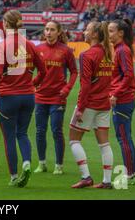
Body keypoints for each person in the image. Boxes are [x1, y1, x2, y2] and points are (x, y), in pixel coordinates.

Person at [0, 10, 46, 187]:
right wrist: (33, 84)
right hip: (28, 96)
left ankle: (13, 176)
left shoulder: (2, 45)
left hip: (8, 96)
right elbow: (44, 71)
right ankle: (27, 162)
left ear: (5, 24)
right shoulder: (30, 44)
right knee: (22, 133)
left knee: (9, 137)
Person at [69, 21, 114, 189]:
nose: (84, 32)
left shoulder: (87, 55)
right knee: (104, 144)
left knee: (74, 140)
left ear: (95, 34)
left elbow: (85, 85)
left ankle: (86, 176)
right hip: (104, 105)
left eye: (87, 29)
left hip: (89, 104)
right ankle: (107, 181)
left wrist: (80, 108)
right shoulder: (108, 53)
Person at [33, 21, 77, 175]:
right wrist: (31, 84)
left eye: (52, 29)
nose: (49, 32)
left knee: (56, 131)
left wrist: (67, 88)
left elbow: (74, 72)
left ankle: (59, 165)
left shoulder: (65, 51)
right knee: (39, 131)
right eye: (46, 29)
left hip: (58, 97)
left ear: (59, 32)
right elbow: (31, 71)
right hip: (40, 96)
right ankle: (42, 163)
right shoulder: (38, 49)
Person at [108, 19, 135, 185]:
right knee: (125, 137)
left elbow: (128, 75)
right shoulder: (119, 49)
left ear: (121, 33)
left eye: (111, 31)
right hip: (124, 98)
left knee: (123, 138)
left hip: (122, 101)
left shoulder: (122, 50)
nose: (109, 34)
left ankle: (130, 175)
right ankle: (132, 173)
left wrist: (116, 94)